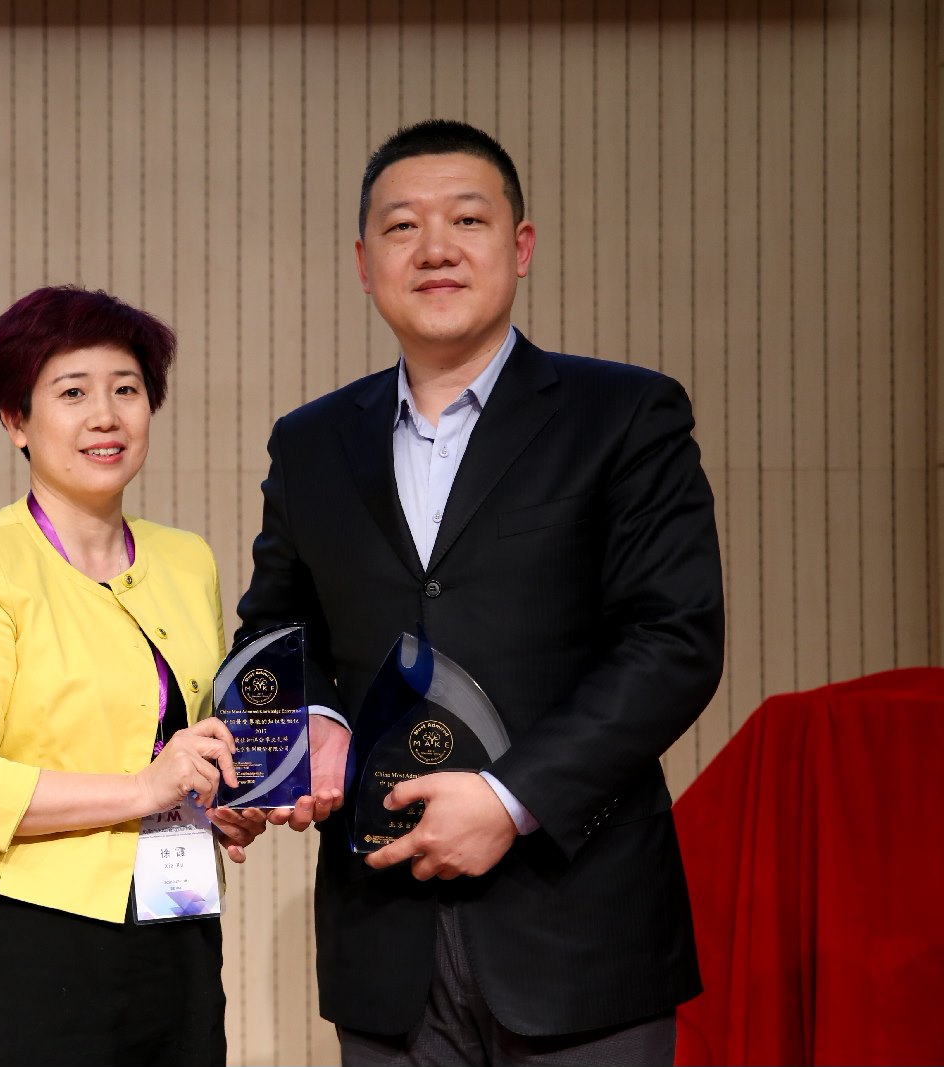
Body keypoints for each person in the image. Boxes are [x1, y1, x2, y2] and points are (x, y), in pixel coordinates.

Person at [236, 119, 725, 1064]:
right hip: (383, 933)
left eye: (467, 219)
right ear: (364, 262)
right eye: (402, 226)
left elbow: (674, 639)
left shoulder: (624, 414)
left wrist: (510, 797)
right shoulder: (311, 441)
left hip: (579, 927)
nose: (435, 249)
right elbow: (276, 626)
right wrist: (313, 717)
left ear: (521, 246)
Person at [0, 285, 263, 1067]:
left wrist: (220, 798)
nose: (106, 415)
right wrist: (143, 788)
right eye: (72, 393)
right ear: (16, 420)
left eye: (126, 389)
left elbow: (180, 737)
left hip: (178, 924)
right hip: (35, 944)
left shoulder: (186, 558)